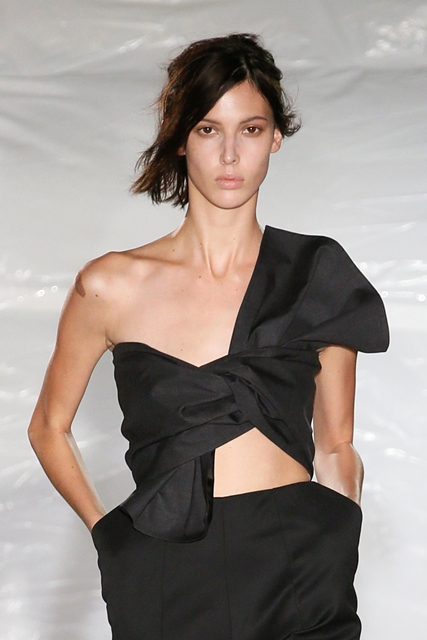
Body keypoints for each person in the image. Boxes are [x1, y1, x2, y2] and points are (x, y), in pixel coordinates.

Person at [28, 33, 389, 640]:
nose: (229, 154)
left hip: (298, 565)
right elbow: (48, 426)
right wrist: (111, 538)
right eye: (207, 129)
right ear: (179, 139)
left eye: (250, 129)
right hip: (166, 568)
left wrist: (338, 527)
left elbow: (335, 443)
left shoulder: (314, 274)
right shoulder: (111, 285)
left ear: (276, 138)